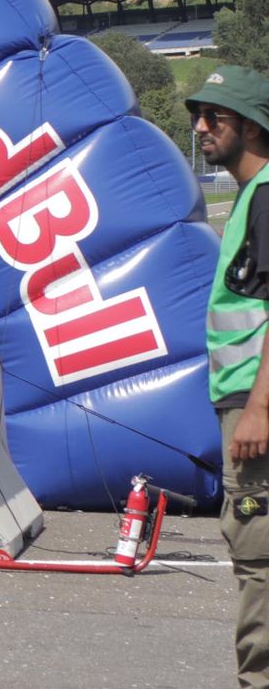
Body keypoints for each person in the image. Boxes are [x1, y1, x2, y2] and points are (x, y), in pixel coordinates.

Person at [187, 65, 269, 688]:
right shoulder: (252, 197)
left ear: (247, 124)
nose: (200, 127)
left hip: (256, 407)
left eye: (213, 116)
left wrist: (259, 408)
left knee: (260, 559)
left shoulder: (266, 196)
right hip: (243, 401)